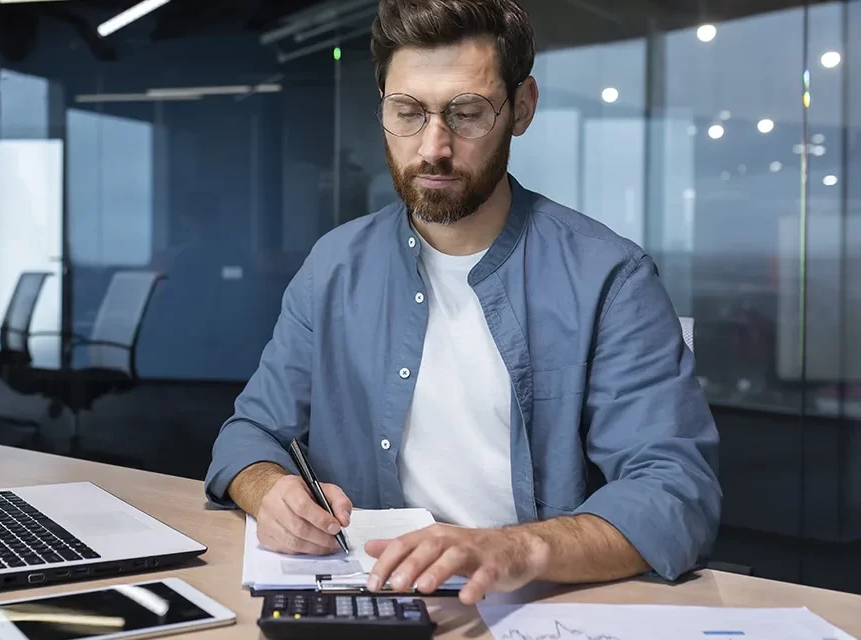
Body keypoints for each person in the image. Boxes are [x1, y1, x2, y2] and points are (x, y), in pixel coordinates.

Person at [204, 0, 722, 605]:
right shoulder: (334, 267)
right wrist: (267, 490)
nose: (433, 147)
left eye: (467, 113)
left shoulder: (610, 277)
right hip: (366, 599)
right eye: (408, 112)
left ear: (521, 108)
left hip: (532, 605)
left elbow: (675, 491)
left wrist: (516, 548)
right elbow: (249, 433)